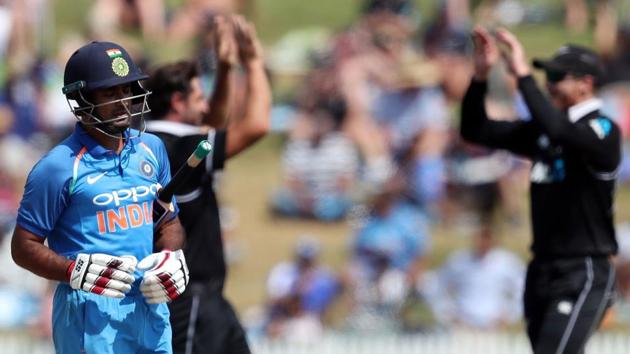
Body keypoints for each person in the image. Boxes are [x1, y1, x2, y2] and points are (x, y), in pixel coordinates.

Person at [11, 41, 189, 353]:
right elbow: (23, 247)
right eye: (110, 93)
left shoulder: (152, 148)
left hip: (148, 305)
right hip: (90, 311)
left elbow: (168, 222)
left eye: (127, 89)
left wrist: (169, 257)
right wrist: (74, 271)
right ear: (81, 99)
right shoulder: (57, 167)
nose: (123, 101)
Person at [461, 27, 619, 353]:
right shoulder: (544, 132)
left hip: (584, 269)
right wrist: (480, 77)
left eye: (557, 76)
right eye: (545, 75)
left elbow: (559, 130)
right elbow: (475, 129)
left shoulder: (602, 129)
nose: (548, 83)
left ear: (585, 84)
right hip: (543, 267)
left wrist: (522, 76)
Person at [145, 15, 270, 354]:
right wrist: (253, 60)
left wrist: (227, 70)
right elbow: (256, 125)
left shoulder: (153, 143)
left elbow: (211, 123)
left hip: (206, 299)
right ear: (177, 103)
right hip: (191, 299)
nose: (206, 107)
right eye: (199, 97)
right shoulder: (180, 143)